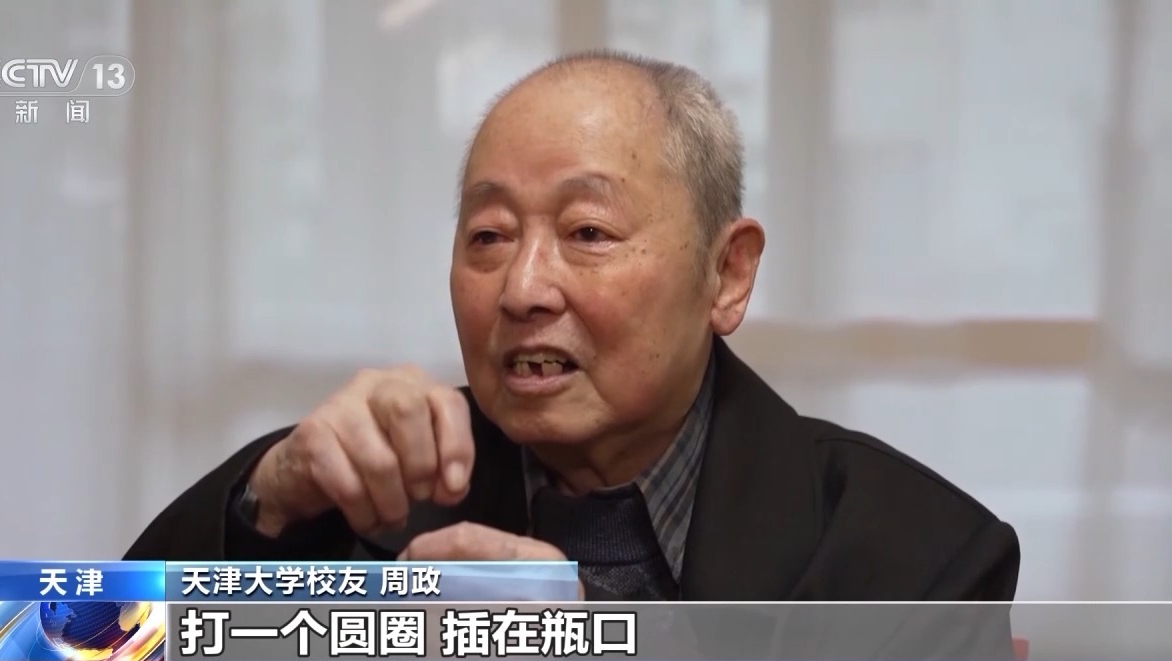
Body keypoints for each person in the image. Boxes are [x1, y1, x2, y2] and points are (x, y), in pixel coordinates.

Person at [126, 51, 1020, 606]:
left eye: (588, 232)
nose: (522, 289)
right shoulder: (368, 505)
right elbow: (80, 639)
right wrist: (265, 505)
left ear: (727, 273)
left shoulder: (918, 552)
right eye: (488, 236)